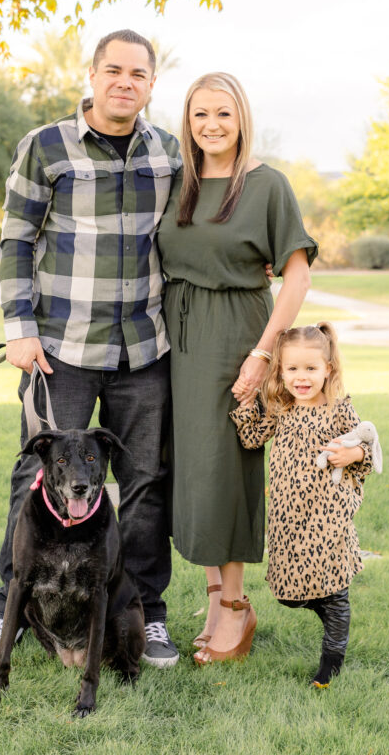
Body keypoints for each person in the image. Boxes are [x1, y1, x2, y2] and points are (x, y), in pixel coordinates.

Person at [0, 29, 183, 668]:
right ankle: (10, 599)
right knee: (37, 476)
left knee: (144, 481)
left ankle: (144, 613)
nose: (125, 82)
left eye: (138, 73)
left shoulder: (170, 152)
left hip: (143, 349)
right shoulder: (45, 147)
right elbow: (15, 240)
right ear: (92, 75)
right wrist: (18, 325)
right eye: (113, 70)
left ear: (151, 83)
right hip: (59, 349)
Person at [157, 73, 317, 665]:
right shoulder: (178, 182)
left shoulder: (266, 185)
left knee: (226, 468)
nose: (212, 125)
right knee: (191, 471)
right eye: (200, 115)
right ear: (188, 121)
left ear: (241, 118)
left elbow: (296, 276)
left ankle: (235, 607)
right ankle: (214, 598)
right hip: (176, 338)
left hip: (237, 336)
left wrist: (264, 352)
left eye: (223, 114)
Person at [229, 322, 376, 686]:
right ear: (280, 370)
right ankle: (326, 610)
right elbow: (250, 439)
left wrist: (352, 453)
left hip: (329, 515)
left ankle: (331, 661)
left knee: (335, 591)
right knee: (288, 594)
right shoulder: (282, 406)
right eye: (292, 369)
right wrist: (247, 404)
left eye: (311, 369)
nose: (302, 377)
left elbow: (368, 449)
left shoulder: (340, 409)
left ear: (328, 369)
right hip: (288, 515)